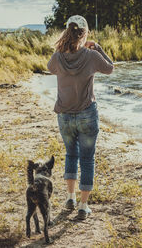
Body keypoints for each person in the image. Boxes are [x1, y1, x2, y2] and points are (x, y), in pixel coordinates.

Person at [47, 15, 114, 220]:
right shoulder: (91, 56)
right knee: (87, 159)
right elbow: (110, 68)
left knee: (71, 154)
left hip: (65, 116)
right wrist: (98, 48)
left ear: (67, 31)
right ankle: (83, 206)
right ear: (84, 33)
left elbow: (50, 68)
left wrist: (62, 50)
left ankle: (70, 197)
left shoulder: (57, 57)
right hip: (87, 114)